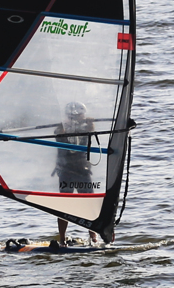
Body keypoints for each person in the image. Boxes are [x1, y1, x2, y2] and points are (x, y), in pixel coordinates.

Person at [53, 101, 100, 246]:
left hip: (82, 170)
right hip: (66, 171)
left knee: (89, 203)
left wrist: (89, 123)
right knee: (65, 205)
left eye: (82, 115)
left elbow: (91, 131)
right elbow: (58, 132)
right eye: (79, 115)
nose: (82, 117)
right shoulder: (61, 127)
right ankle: (62, 238)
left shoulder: (86, 127)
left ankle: (93, 237)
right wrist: (66, 123)